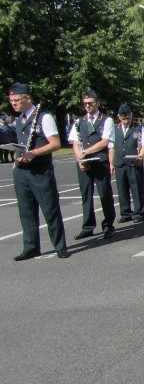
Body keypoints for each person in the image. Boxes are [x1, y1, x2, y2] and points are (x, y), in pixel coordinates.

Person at [8, 83, 69, 260]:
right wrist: (17, 159)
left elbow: (55, 144)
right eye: (11, 100)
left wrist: (33, 153)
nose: (14, 103)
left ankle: (60, 246)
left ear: (28, 98)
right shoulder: (19, 119)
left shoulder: (44, 117)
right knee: (26, 210)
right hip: (22, 171)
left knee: (50, 209)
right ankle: (31, 246)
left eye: (17, 100)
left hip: (40, 171)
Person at [68, 90, 116, 240]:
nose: (87, 106)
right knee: (86, 195)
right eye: (85, 104)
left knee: (105, 194)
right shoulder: (79, 121)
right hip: (84, 162)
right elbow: (75, 141)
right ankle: (88, 226)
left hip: (100, 162)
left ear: (98, 103)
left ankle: (108, 224)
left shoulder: (106, 120)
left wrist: (85, 152)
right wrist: (80, 159)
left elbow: (104, 142)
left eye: (90, 103)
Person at [111, 104, 144, 224]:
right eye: (123, 119)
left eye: (128, 118)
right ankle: (125, 212)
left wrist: (140, 157)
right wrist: (111, 163)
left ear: (131, 116)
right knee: (122, 189)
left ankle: (139, 212)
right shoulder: (114, 129)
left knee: (136, 188)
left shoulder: (138, 128)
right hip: (120, 163)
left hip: (134, 162)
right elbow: (111, 147)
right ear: (119, 117)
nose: (126, 121)